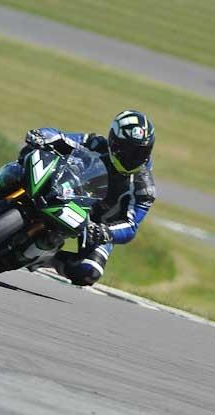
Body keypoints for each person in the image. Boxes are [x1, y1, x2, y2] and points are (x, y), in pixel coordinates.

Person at [16, 110, 156, 286]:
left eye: (139, 152)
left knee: (89, 272)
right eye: (127, 150)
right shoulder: (96, 143)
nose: (132, 158)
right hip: (68, 192)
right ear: (114, 141)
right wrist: (43, 135)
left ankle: (46, 258)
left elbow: (131, 225)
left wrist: (106, 232)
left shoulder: (145, 189)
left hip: (95, 225)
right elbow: (62, 137)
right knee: (23, 162)